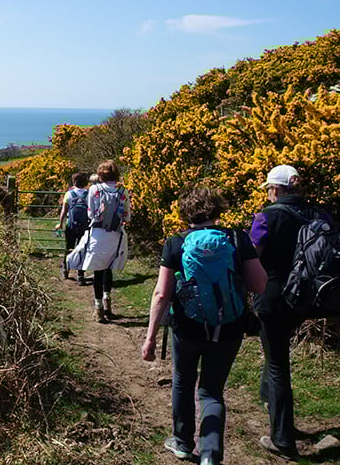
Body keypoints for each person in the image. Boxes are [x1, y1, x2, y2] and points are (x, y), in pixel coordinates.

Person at [142, 187, 267, 465]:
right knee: (211, 392)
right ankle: (210, 454)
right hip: (230, 327)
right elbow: (259, 284)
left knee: (183, 383)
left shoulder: (175, 243)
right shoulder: (237, 238)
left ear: (185, 213)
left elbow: (161, 294)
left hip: (187, 328)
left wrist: (149, 337)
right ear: (217, 211)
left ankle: (184, 443)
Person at [250, 165, 332, 461]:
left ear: (278, 189)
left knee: (277, 367)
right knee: (274, 356)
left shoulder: (267, 216)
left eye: (270, 188)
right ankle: (271, 406)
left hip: (274, 298)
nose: (268, 193)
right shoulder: (319, 213)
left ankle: (283, 440)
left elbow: (251, 255)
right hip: (309, 299)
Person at [81, 160, 131, 322]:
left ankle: (98, 309)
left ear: (100, 174)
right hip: (116, 235)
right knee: (109, 269)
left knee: (98, 270)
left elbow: (90, 213)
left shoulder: (94, 189)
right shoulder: (123, 190)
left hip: (98, 233)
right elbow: (127, 215)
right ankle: (108, 302)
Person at [55, 172, 90, 285]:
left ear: (74, 181)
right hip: (84, 227)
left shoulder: (69, 194)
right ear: (85, 182)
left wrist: (60, 224)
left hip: (71, 225)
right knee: (82, 249)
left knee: (69, 247)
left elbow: (64, 211)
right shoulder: (89, 194)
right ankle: (80, 275)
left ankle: (66, 269)